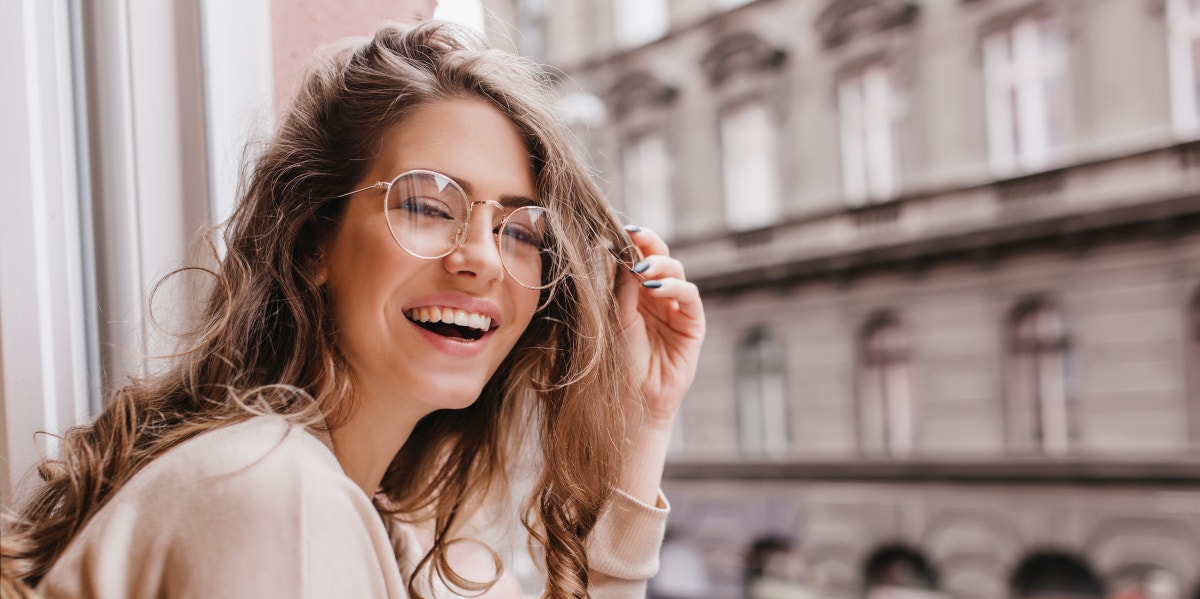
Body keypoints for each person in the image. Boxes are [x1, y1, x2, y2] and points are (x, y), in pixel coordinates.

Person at [0, 20, 704, 599]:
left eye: (519, 231)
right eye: (429, 205)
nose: (484, 257)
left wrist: (644, 416)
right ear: (314, 239)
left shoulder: (385, 526)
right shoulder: (279, 494)